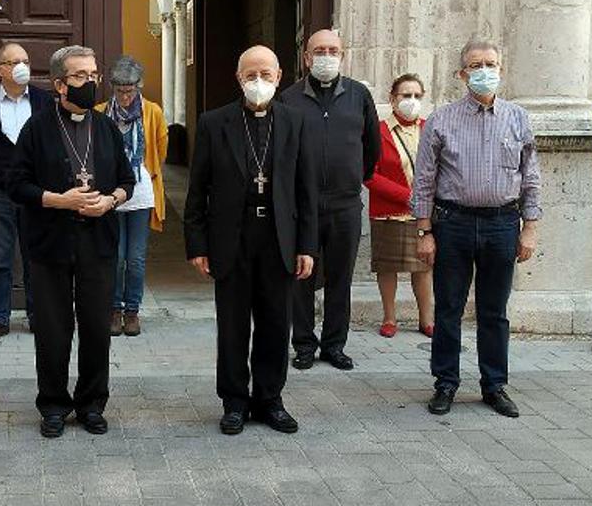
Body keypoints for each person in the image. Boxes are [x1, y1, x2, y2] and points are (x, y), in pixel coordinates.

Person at [185, 45, 318, 436]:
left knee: (277, 323)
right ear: (238, 78)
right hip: (232, 239)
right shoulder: (214, 123)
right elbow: (198, 190)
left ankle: (270, 399)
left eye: (265, 74)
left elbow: (306, 190)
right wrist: (197, 244)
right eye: (250, 74)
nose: (258, 81)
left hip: (279, 239)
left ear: (279, 76)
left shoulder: (296, 122)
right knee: (232, 325)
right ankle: (234, 401)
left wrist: (307, 245)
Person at [8, 45, 135, 438]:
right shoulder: (37, 128)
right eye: (81, 76)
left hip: (97, 242)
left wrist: (110, 200)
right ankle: (53, 405)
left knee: (97, 326)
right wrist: (58, 200)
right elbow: (17, 184)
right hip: (50, 243)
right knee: (53, 328)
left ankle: (92, 403)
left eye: (94, 75)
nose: (91, 82)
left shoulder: (107, 127)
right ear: (59, 84)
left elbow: (127, 182)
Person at [412, 40, 542, 419]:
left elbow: (530, 176)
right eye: (475, 65)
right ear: (462, 74)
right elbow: (424, 178)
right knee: (449, 307)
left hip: (502, 223)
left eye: (491, 63)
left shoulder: (518, 118)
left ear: (501, 68)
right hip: (452, 222)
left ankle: (494, 384)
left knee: (494, 310)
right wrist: (425, 230)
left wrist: (529, 227)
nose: (484, 71)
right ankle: (445, 382)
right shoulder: (441, 120)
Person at [283, 29, 380, 371]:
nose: (326, 55)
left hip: (345, 204)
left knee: (341, 278)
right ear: (306, 57)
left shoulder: (359, 95)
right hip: (301, 207)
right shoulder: (289, 98)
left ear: (342, 55)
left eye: (333, 50)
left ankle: (335, 345)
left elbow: (372, 149)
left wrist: (351, 178)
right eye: (319, 50)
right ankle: (304, 345)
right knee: (301, 278)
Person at [0, 42, 57, 342]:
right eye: (13, 61)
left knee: (36, 256)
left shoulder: (45, 101)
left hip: (36, 192)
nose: (21, 66)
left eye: (25, 61)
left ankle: (37, 315)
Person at [97, 55, 168, 337]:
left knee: (136, 258)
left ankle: (132, 312)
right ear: (112, 89)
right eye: (119, 91)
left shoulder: (152, 112)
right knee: (116, 256)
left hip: (140, 191)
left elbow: (160, 150)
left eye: (130, 91)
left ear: (139, 87)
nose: (125, 97)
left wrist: (144, 173)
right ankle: (114, 309)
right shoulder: (101, 112)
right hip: (111, 193)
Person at [365, 74, 433, 338]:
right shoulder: (378, 132)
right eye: (405, 95)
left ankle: (426, 319)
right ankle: (389, 317)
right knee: (387, 266)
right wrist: (406, 196)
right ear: (393, 99)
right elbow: (369, 174)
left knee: (424, 267)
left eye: (417, 96)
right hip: (388, 211)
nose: (411, 101)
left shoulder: (430, 128)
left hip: (424, 213)